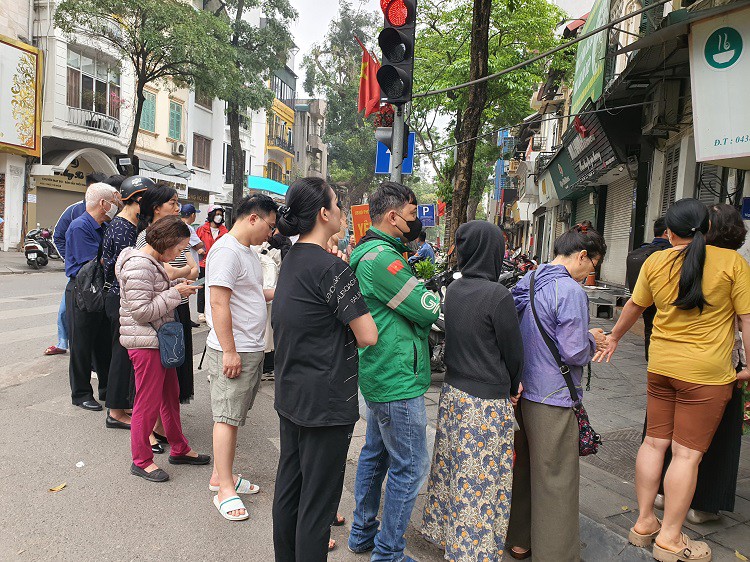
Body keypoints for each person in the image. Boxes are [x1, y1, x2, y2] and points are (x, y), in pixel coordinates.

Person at [596, 199, 750, 562]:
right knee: (686, 454)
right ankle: (670, 539)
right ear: (706, 228)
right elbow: (746, 320)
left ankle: (645, 522)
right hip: (706, 375)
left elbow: (634, 306)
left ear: (668, 232)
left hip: (661, 368)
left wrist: (615, 337)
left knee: (653, 444)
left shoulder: (655, 260)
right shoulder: (732, 263)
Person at [271, 177, 378, 561]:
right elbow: (367, 335)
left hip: (292, 392)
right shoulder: (333, 269)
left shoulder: (293, 259)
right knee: (318, 504)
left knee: (291, 489)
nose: (342, 212)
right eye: (337, 204)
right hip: (326, 400)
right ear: (323, 214)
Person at [347, 181, 441, 561]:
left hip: (380, 371)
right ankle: (387, 553)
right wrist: (425, 291)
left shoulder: (372, 252)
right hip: (396, 375)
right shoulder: (383, 260)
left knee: (376, 454)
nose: (416, 222)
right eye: (412, 215)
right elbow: (426, 308)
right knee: (410, 465)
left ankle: (362, 532)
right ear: (393, 216)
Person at [421, 220, 524, 561]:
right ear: (493, 252)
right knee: (480, 477)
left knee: (454, 469)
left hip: (453, 396)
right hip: (485, 404)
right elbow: (513, 352)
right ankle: (471, 550)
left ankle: (449, 535)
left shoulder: (455, 290)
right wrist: (512, 386)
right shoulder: (498, 295)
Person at [506, 222, 607, 561]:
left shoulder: (530, 278)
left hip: (524, 391)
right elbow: (575, 351)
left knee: (526, 470)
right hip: (553, 397)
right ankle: (556, 554)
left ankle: (519, 541)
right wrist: (595, 338)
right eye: (594, 264)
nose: (591, 273)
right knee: (556, 478)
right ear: (582, 256)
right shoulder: (571, 292)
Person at [116, 216, 209, 482]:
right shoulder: (139, 266)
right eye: (179, 248)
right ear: (166, 242)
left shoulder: (151, 263)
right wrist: (175, 294)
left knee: (171, 395)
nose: (180, 253)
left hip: (156, 341)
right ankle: (141, 460)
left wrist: (174, 288)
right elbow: (141, 312)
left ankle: (179, 448)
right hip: (146, 342)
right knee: (147, 403)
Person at [205, 194, 278, 521]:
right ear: (253, 218)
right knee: (227, 418)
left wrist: (284, 290)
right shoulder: (226, 250)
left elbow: (250, 292)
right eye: (270, 225)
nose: (271, 233)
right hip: (232, 350)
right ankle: (223, 489)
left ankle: (223, 475)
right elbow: (218, 303)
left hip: (249, 347)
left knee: (234, 417)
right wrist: (230, 350)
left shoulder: (247, 252)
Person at [136, 186, 199, 410]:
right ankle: (154, 428)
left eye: (177, 202)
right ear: (156, 208)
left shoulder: (177, 233)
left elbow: (195, 269)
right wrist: (179, 273)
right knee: (160, 373)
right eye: (172, 203)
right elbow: (171, 273)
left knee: (176, 369)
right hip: (162, 308)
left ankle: (167, 425)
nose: (176, 207)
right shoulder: (148, 237)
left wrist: (177, 272)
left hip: (179, 304)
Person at [65, 182, 122, 411]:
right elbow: (94, 263)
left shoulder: (104, 226)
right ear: (103, 203)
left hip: (101, 289)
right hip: (83, 289)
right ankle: (80, 393)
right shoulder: (81, 227)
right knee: (81, 345)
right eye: (113, 202)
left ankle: (107, 390)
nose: (115, 207)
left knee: (102, 343)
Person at [102, 176, 152, 428]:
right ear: (138, 200)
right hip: (120, 298)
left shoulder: (128, 225)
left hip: (125, 297)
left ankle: (121, 405)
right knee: (121, 355)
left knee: (125, 354)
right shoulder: (122, 229)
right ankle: (115, 412)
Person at [46, 172, 109, 356]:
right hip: (80, 273)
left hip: (98, 274)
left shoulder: (107, 216)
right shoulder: (74, 211)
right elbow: (58, 235)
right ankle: (62, 342)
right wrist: (70, 258)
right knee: (66, 310)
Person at [626, 216, 671, 360]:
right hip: (666, 299)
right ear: (666, 232)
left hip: (645, 297)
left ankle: (651, 359)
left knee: (649, 328)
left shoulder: (643, 250)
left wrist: (615, 336)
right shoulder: (671, 252)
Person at [196, 205, 228, 323]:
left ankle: (211, 311)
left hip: (218, 264)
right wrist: (198, 250)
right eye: (217, 214)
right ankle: (200, 312)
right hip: (203, 263)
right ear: (211, 216)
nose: (219, 217)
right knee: (201, 287)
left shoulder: (225, 232)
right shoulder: (201, 229)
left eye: (221, 215)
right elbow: (192, 243)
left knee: (216, 288)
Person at [180, 203, 205, 270]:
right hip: (190, 263)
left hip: (179, 263)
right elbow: (199, 244)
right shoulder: (188, 228)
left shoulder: (176, 225)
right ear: (192, 215)